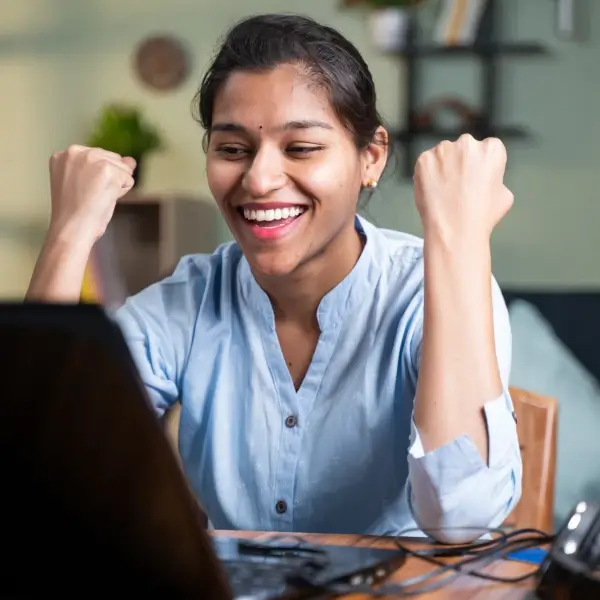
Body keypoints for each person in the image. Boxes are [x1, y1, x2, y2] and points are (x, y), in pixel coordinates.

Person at [27, 13, 522, 542]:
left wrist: (459, 239)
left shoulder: (433, 287)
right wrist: (69, 234)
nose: (259, 180)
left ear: (371, 156)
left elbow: (460, 517)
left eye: (301, 148)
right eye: (232, 150)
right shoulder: (186, 304)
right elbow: (37, 466)